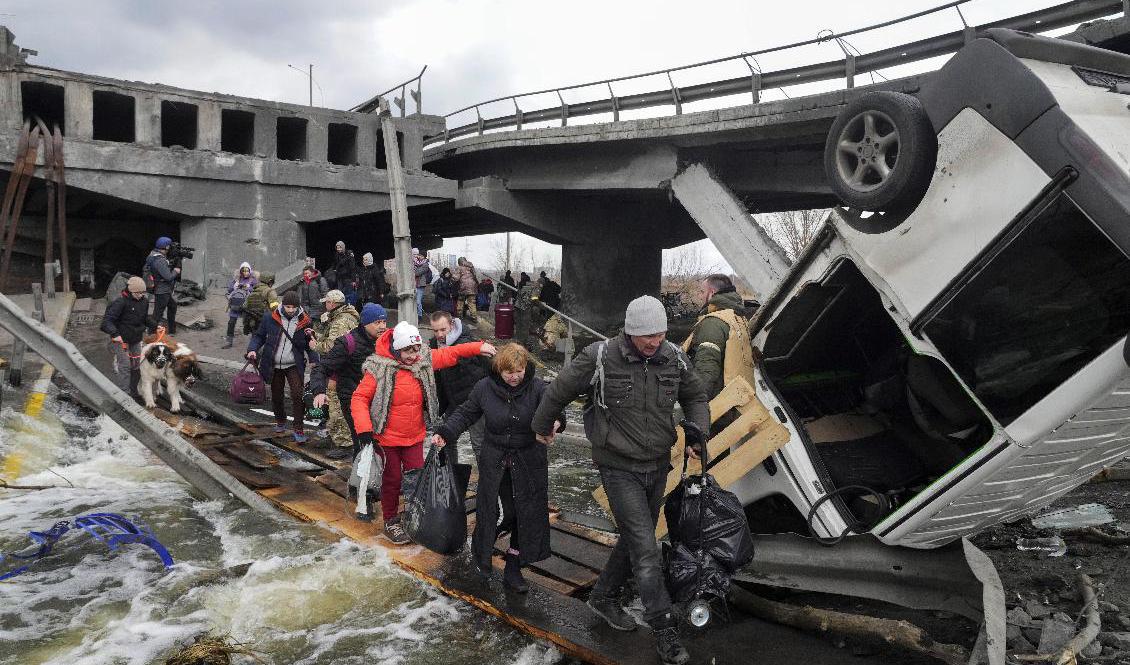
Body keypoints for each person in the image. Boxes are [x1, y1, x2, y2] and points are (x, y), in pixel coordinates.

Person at [531, 295, 709, 665]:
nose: (655, 342)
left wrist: (697, 434)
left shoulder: (674, 357)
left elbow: (696, 396)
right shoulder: (599, 357)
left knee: (634, 537)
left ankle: (603, 597)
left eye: (660, 334)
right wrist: (542, 425)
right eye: (647, 336)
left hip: (657, 464)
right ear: (630, 332)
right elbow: (559, 389)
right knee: (646, 548)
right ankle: (664, 628)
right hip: (617, 466)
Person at [433, 343, 565, 592]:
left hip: (529, 460)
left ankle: (513, 565)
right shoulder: (484, 388)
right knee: (503, 512)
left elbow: (555, 409)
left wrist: (556, 423)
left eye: (519, 371)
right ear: (498, 370)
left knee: (526, 514)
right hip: (495, 459)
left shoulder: (538, 387)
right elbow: (465, 413)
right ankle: (481, 552)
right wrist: (446, 433)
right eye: (509, 372)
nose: (515, 377)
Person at [350, 321, 496, 543]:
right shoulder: (378, 368)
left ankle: (413, 515)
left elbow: (450, 354)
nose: (413, 356)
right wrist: (364, 429)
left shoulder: (423, 360)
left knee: (416, 478)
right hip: (386, 437)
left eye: (416, 349)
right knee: (392, 479)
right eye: (408, 351)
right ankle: (391, 520)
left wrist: (478, 347)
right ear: (397, 349)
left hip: (414, 435)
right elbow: (359, 398)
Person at [310, 303, 389, 472]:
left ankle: (378, 476)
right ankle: (360, 479)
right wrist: (319, 391)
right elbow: (322, 367)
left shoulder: (387, 340)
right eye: (377, 322)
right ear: (365, 323)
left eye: (384, 322)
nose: (382, 326)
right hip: (352, 398)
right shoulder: (348, 342)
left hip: (378, 398)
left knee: (381, 441)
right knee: (362, 442)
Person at [247, 291, 319, 443]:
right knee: (277, 395)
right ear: (283, 305)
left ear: (298, 306)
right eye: (288, 307)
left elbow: (310, 342)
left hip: (294, 364)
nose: (291, 310)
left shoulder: (305, 321)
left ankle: (298, 428)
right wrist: (252, 349)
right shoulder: (270, 317)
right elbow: (259, 336)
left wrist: (313, 359)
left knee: (298, 395)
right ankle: (280, 421)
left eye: (294, 307)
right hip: (273, 364)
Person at [683, 273, 755, 403]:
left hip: (718, 403)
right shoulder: (738, 318)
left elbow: (706, 370)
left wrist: (694, 404)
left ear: (711, 293)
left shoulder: (713, 323)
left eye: (702, 292)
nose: (699, 296)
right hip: (738, 399)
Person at [428, 310, 488, 464]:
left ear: (452, 325)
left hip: (474, 402)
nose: (440, 334)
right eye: (436, 331)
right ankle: (451, 474)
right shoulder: (433, 344)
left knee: (479, 443)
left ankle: (487, 476)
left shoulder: (467, 342)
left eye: (443, 329)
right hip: (453, 402)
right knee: (446, 439)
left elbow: (487, 369)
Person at [309, 290, 360, 458]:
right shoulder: (341, 317)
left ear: (332, 304)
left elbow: (332, 348)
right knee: (333, 404)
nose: (325, 305)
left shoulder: (341, 322)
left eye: (327, 302)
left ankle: (345, 444)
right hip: (341, 368)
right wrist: (318, 334)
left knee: (337, 406)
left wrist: (316, 346)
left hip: (340, 370)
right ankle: (334, 436)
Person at [100, 275, 156, 398]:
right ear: (130, 291)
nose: (141, 295)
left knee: (136, 366)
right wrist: (115, 334)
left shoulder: (144, 302)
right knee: (125, 365)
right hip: (121, 340)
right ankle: (124, 394)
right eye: (138, 293)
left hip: (135, 338)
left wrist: (156, 326)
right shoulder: (120, 302)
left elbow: (144, 318)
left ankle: (133, 391)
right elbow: (106, 322)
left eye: (143, 292)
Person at [144, 237, 180, 333]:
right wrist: (176, 271)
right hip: (162, 290)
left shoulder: (153, 255)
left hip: (161, 289)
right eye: (170, 246)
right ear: (166, 247)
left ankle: (172, 331)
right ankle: (151, 332)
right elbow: (168, 277)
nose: (171, 248)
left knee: (172, 306)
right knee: (157, 314)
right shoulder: (160, 260)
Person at [223, 262, 257, 349]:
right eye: (243, 271)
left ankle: (254, 343)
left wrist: (249, 288)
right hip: (235, 305)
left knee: (251, 324)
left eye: (247, 271)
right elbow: (229, 290)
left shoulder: (253, 280)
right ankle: (229, 341)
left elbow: (257, 290)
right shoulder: (236, 279)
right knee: (231, 323)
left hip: (247, 306)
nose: (245, 273)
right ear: (240, 271)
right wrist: (234, 286)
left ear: (250, 271)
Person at [243, 271, 277, 336]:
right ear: (270, 281)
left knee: (255, 338)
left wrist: (246, 324)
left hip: (252, 323)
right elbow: (275, 307)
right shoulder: (270, 291)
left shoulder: (253, 291)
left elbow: (245, 307)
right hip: (265, 322)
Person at [513, 274, 539, 346]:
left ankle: (518, 340)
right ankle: (523, 342)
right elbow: (534, 299)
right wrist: (540, 305)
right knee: (525, 325)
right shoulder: (534, 287)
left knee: (519, 324)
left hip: (517, 306)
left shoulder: (521, 285)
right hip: (525, 308)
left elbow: (517, 295)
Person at [331, 241, 359, 305]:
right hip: (339, 278)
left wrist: (353, 280)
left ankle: (349, 307)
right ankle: (342, 307)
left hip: (348, 278)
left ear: (343, 247)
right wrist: (334, 270)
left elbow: (353, 268)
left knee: (348, 295)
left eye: (340, 247)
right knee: (340, 295)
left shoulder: (349, 255)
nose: (338, 249)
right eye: (337, 248)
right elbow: (334, 264)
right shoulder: (337, 255)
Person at [454, 257, 479, 323]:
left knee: (460, 302)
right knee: (472, 303)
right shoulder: (471, 267)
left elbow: (456, 278)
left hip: (463, 287)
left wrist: (452, 278)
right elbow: (475, 276)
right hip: (472, 287)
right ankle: (474, 318)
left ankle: (459, 317)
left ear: (459, 262)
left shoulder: (459, 268)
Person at [412, 248, 431, 320]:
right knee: (413, 301)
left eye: (420, 255)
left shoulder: (425, 265)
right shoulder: (416, 263)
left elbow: (417, 273)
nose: (418, 256)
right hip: (414, 284)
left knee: (418, 302)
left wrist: (414, 266)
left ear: (424, 256)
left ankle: (419, 316)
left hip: (420, 285)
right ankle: (414, 314)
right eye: (418, 255)